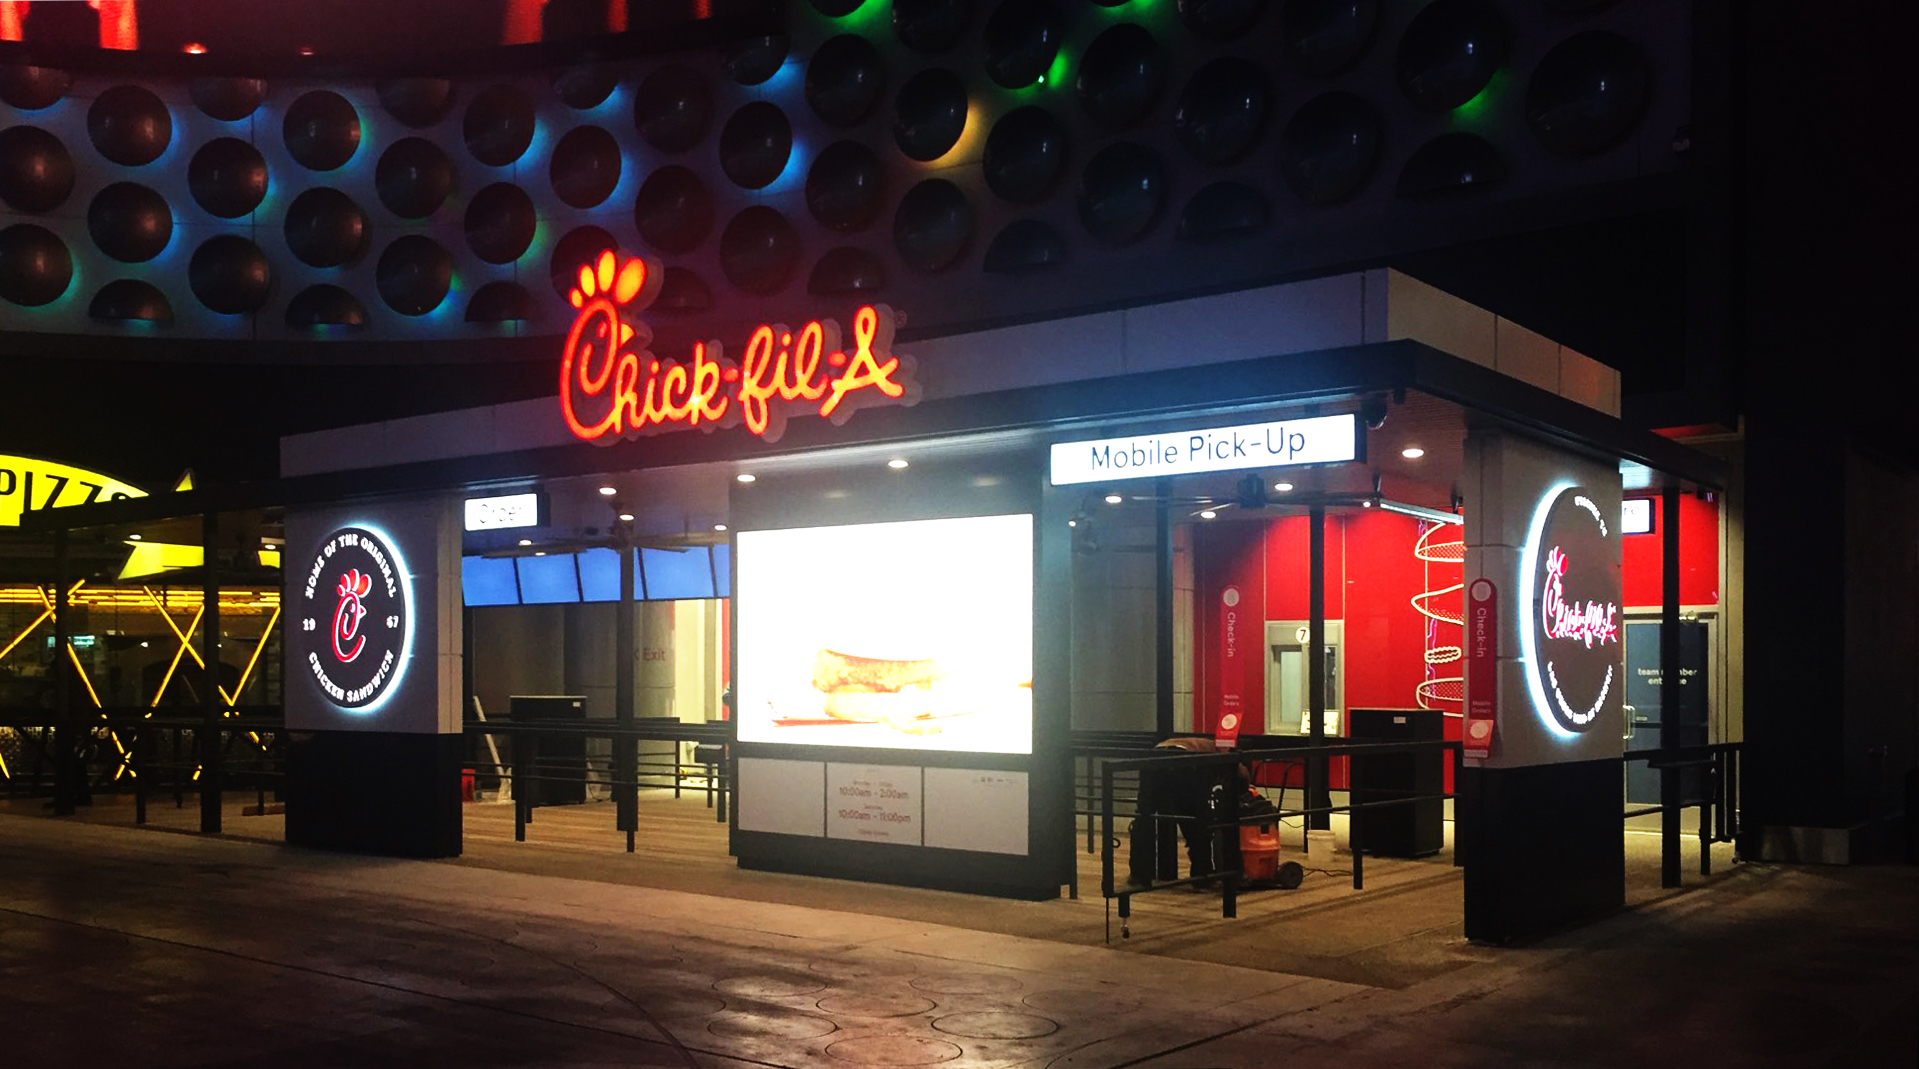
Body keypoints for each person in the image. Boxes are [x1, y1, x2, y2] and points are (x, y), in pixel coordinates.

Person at [1129, 736, 1240, 887]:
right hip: (1184, 762)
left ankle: (1139, 874)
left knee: (1144, 816)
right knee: (1197, 820)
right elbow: (1241, 775)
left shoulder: (1205, 745)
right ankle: (1202, 876)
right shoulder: (1222, 756)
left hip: (1155, 756)